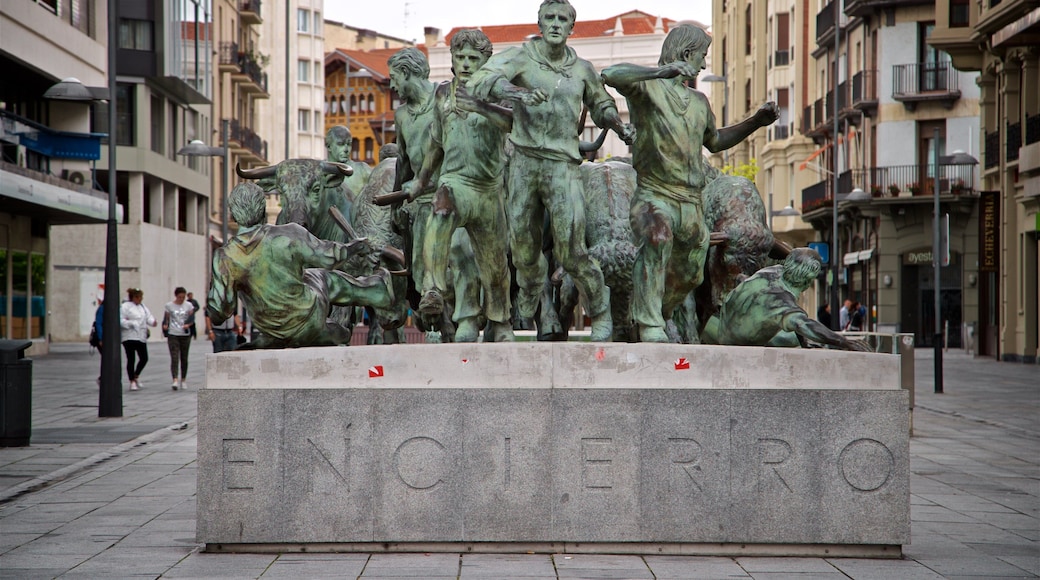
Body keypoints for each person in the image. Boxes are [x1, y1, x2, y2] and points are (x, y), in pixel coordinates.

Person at [468, 0, 636, 341]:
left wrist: (619, 126)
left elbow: (602, 104)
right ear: (540, 23)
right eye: (550, 18)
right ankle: (530, 286)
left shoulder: (583, 69)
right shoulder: (521, 57)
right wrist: (517, 92)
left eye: (563, 19)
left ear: (572, 28)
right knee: (524, 251)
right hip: (525, 164)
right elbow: (480, 81)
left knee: (573, 250)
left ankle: (600, 310)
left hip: (563, 165)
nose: (556, 24)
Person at [602, 23, 779, 342]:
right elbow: (611, 74)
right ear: (685, 54)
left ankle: (654, 313)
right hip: (654, 195)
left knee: (690, 274)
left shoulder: (699, 103)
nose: (705, 63)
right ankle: (649, 322)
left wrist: (756, 122)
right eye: (702, 55)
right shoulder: (646, 90)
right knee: (657, 237)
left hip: (690, 200)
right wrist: (661, 72)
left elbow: (715, 141)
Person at [411, 29, 515, 343]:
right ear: (453, 61)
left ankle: (500, 322)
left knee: (495, 267)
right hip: (454, 182)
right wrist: (421, 180)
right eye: (461, 58)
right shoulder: (442, 94)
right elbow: (435, 144)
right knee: (441, 211)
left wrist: (480, 105)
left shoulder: (497, 92)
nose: (467, 64)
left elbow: (514, 122)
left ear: (486, 62)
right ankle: (435, 291)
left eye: (474, 58)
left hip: (488, 189)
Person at [207, 182, 396, 349]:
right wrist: (356, 247)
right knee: (321, 276)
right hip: (308, 313)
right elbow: (330, 257)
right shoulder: (289, 234)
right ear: (263, 211)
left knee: (326, 316)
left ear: (232, 214)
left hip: (271, 329)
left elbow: (220, 311)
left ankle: (329, 331)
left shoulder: (225, 257)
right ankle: (376, 290)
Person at [387, 46, 479, 341]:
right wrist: (395, 206)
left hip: (450, 194)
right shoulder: (401, 115)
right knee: (418, 270)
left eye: (393, 78)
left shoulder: (444, 97)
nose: (391, 86)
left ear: (407, 73)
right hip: (418, 201)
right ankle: (442, 326)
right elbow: (403, 162)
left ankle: (462, 318)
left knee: (454, 261)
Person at [714, 248, 870, 351]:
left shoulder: (772, 271)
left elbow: (741, 279)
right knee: (790, 340)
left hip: (723, 329)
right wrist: (845, 342)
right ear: (808, 280)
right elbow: (803, 324)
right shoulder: (781, 300)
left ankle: (803, 344)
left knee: (789, 330)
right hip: (741, 344)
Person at [119, 287, 157, 391]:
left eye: (141, 297)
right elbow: (121, 320)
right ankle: (131, 381)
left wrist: (153, 322)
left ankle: (136, 375)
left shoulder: (143, 307)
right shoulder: (125, 306)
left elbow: (148, 317)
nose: (140, 299)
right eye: (137, 297)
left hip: (141, 336)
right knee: (131, 359)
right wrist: (131, 323)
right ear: (133, 297)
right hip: (129, 336)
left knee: (144, 358)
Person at [163, 287, 195, 390]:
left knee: (184, 357)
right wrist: (165, 325)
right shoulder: (169, 306)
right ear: (176, 296)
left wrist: (188, 324)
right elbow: (166, 318)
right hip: (173, 333)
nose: (181, 299)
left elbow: (192, 318)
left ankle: (184, 379)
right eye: (180, 297)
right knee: (174, 357)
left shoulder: (189, 305)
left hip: (185, 334)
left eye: (183, 297)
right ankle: (175, 379)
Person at [325, 124, 371, 197]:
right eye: (340, 144)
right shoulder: (319, 172)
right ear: (329, 146)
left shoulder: (363, 170)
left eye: (349, 144)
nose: (346, 150)